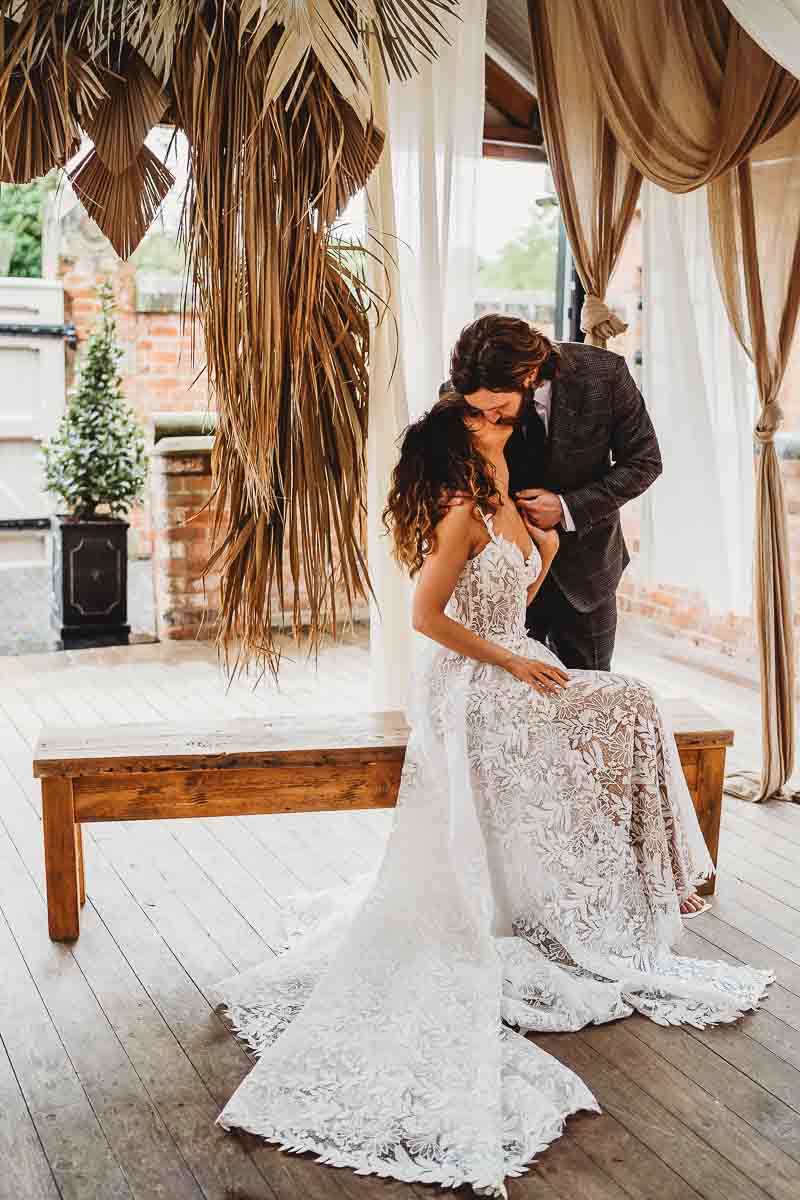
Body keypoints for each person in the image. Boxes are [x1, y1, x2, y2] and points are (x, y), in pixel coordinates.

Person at [211, 376, 772, 1200]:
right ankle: (610, 888)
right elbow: (429, 617)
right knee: (621, 701)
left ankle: (612, 889)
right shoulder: (459, 509)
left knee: (628, 703)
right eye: (476, 414)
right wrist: (511, 660)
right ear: (453, 424)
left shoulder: (511, 500)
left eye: (503, 414)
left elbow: (509, 599)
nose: (493, 424)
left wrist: (542, 557)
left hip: (515, 664)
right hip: (470, 683)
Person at [439, 314, 662, 675]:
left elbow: (645, 462)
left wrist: (566, 508)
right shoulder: (460, 394)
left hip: (588, 574)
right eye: (479, 411)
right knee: (512, 706)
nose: (488, 418)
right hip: (505, 576)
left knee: (588, 701)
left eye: (497, 408)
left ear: (528, 375)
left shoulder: (605, 374)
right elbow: (452, 479)